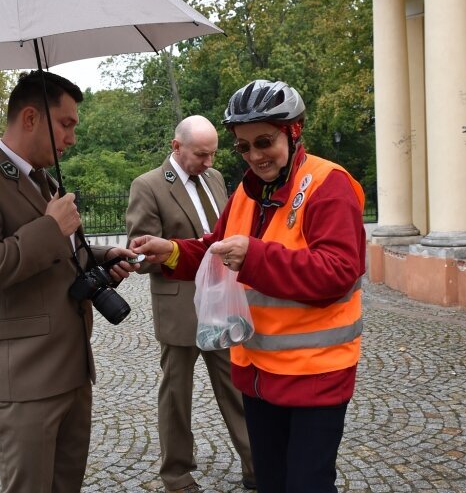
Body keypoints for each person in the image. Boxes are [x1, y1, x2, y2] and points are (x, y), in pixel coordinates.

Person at [130, 80, 366, 493]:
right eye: (243, 147)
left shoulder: (329, 185)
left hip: (315, 374)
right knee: (270, 482)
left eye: (265, 141)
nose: (255, 156)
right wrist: (169, 251)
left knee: (307, 485)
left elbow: (339, 270)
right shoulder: (245, 193)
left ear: (294, 133)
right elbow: (213, 249)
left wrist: (254, 256)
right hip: (257, 373)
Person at [0, 70, 139, 492]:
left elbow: (59, 254)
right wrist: (50, 227)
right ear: (30, 118)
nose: (71, 138)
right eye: (66, 124)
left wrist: (104, 257)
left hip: (70, 371)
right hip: (22, 384)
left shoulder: (43, 181)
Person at [125, 115, 255, 493]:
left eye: (213, 154)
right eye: (202, 155)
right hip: (179, 307)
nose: (210, 163)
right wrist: (173, 253)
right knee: (176, 396)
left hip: (220, 301)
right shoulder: (147, 186)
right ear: (176, 147)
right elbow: (138, 253)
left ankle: (255, 464)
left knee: (236, 386)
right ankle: (177, 475)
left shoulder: (214, 179)